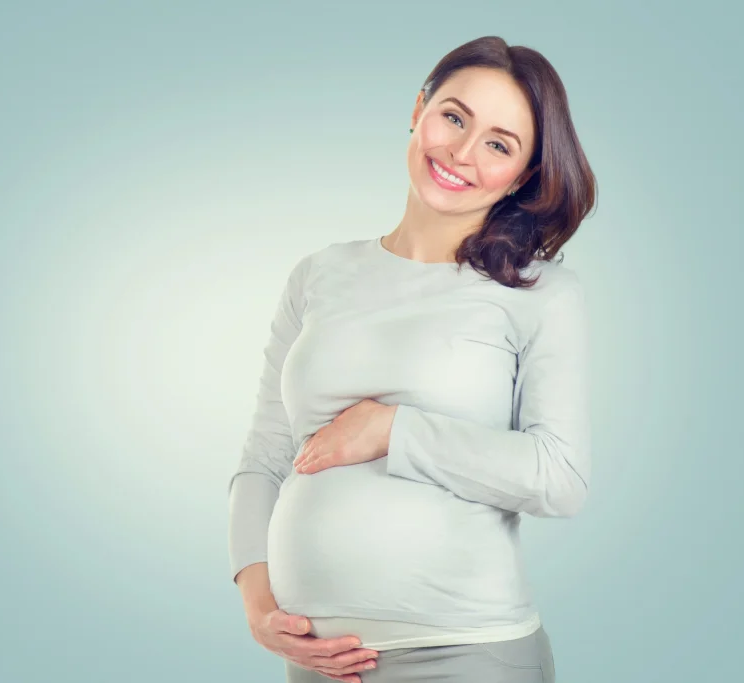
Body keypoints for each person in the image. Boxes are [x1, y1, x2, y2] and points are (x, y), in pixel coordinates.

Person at [227, 35, 596, 683]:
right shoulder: (319, 274)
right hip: (318, 660)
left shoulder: (539, 292)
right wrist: (259, 606)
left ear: (523, 175)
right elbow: (263, 456)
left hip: (467, 652)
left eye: (499, 144)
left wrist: (395, 430)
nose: (462, 152)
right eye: (454, 117)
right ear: (419, 108)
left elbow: (559, 478)